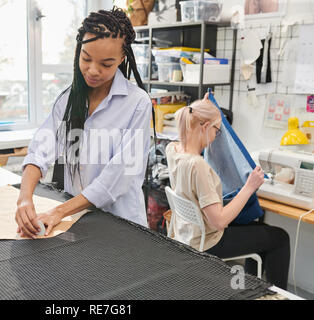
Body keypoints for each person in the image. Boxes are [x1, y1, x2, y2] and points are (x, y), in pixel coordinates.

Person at [16, 7, 152, 239]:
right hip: (77, 222)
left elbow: (117, 177)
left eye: (106, 64)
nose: (93, 70)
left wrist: (58, 211)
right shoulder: (68, 100)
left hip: (122, 226)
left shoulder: (137, 103)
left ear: (121, 58)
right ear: (79, 50)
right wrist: (24, 197)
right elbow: (41, 149)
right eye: (86, 58)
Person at [165, 94, 290, 289]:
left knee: (257, 228)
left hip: (187, 234)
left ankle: (251, 287)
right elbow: (220, 221)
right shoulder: (198, 166)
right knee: (280, 237)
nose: (217, 136)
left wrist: (207, 107)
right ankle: (277, 294)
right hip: (208, 241)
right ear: (204, 127)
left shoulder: (172, 150)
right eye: (217, 130)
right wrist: (249, 187)